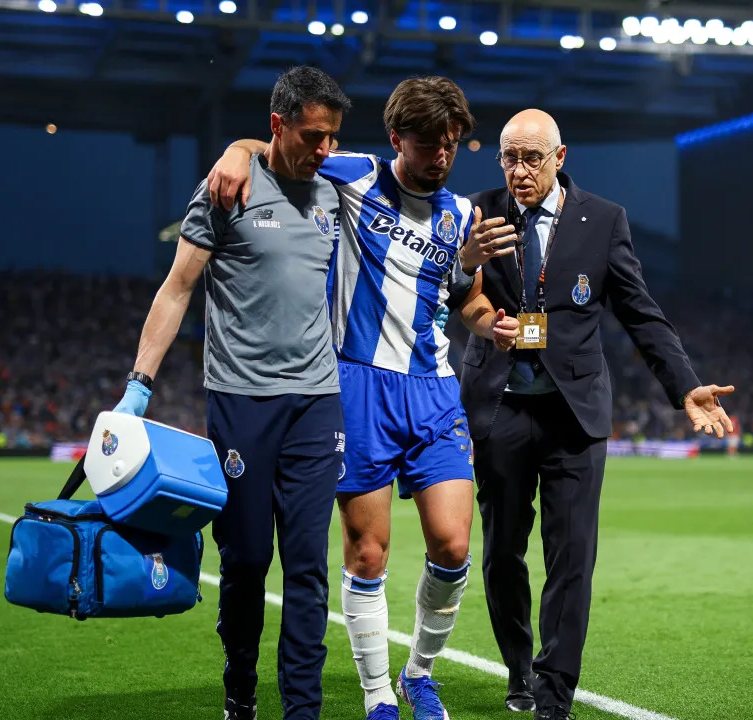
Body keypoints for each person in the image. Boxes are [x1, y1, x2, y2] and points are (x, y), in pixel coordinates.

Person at [207, 76, 519, 720]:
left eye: (452, 145)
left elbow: (470, 301)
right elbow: (278, 146)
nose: (441, 156)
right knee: (368, 550)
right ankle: (378, 695)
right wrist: (235, 151)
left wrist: (496, 325)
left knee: (454, 545)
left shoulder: (462, 215)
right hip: (357, 386)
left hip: (434, 389)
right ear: (397, 137)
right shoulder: (353, 176)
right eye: (430, 143)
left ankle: (417, 674)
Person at [458, 109, 734, 719]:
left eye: (533, 157)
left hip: (574, 415)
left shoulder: (604, 221)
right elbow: (453, 294)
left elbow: (639, 310)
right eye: (509, 156)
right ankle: (518, 667)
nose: (520, 170)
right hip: (500, 408)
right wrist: (467, 273)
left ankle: (554, 691)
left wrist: (683, 386)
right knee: (503, 551)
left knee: (572, 554)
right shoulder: (475, 212)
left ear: (560, 157)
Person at [111, 66, 350, 720]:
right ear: (279, 125)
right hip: (241, 403)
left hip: (316, 403)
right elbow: (177, 288)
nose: (323, 150)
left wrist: (239, 144)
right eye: (312, 136)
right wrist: (139, 385)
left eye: (333, 137)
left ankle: (303, 709)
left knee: (308, 567)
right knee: (246, 561)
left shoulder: (334, 190)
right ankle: (240, 693)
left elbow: (402, 168)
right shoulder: (225, 190)